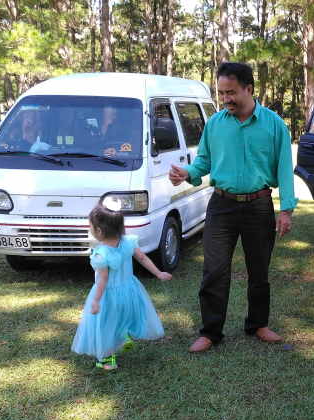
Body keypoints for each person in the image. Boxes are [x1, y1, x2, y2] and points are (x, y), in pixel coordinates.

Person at [168, 62, 298, 352]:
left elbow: (286, 169)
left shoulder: (274, 124)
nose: (225, 99)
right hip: (221, 206)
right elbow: (203, 161)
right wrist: (187, 173)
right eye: (222, 93)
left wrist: (286, 209)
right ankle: (210, 332)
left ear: (249, 89)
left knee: (259, 271)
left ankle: (258, 324)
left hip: (259, 205)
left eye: (231, 92)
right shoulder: (215, 124)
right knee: (214, 271)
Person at [71, 201, 171, 370]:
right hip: (129, 289)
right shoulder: (128, 242)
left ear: (99, 231)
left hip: (108, 295)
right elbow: (143, 258)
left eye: (90, 226)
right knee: (123, 316)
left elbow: (103, 279)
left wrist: (96, 300)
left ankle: (108, 359)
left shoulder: (101, 255)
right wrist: (158, 273)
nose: (90, 228)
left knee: (105, 325)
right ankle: (124, 337)